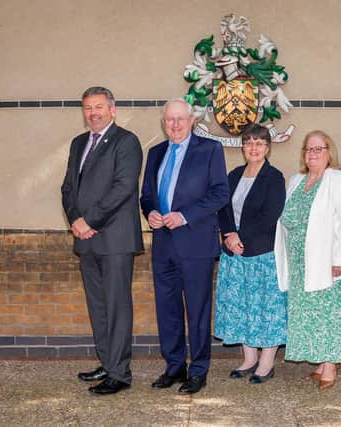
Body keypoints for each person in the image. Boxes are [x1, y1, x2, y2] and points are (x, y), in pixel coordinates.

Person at [140, 98, 229, 394]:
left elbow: (220, 193)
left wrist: (185, 216)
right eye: (169, 120)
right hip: (163, 244)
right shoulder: (155, 153)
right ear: (163, 123)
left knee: (197, 310)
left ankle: (199, 369)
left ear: (191, 120)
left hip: (196, 244)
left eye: (180, 119)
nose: (174, 125)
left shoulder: (209, 150)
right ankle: (174, 366)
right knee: (167, 310)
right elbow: (147, 195)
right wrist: (150, 211)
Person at [61, 86, 144, 395]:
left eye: (98, 107)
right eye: (87, 108)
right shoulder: (79, 142)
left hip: (114, 239)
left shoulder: (126, 141)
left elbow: (123, 188)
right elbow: (68, 187)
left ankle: (120, 374)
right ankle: (107, 362)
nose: (92, 113)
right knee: (98, 306)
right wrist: (74, 220)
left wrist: (89, 220)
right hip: (86, 240)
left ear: (112, 109)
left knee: (117, 305)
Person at [274, 130, 341, 390]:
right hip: (301, 263)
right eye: (308, 149)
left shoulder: (340, 180)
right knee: (312, 315)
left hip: (330, 262)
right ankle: (323, 361)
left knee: (330, 314)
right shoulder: (295, 181)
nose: (313, 153)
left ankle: (330, 366)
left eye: (319, 148)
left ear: (329, 152)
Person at [214, 124, 287, 384]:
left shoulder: (274, 177)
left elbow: (271, 215)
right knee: (242, 307)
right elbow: (221, 208)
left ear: (267, 147)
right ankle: (249, 358)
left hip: (261, 256)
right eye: (248, 142)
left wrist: (240, 237)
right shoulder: (233, 175)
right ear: (242, 147)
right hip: (234, 255)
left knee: (265, 309)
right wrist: (228, 235)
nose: (253, 148)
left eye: (259, 143)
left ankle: (266, 363)